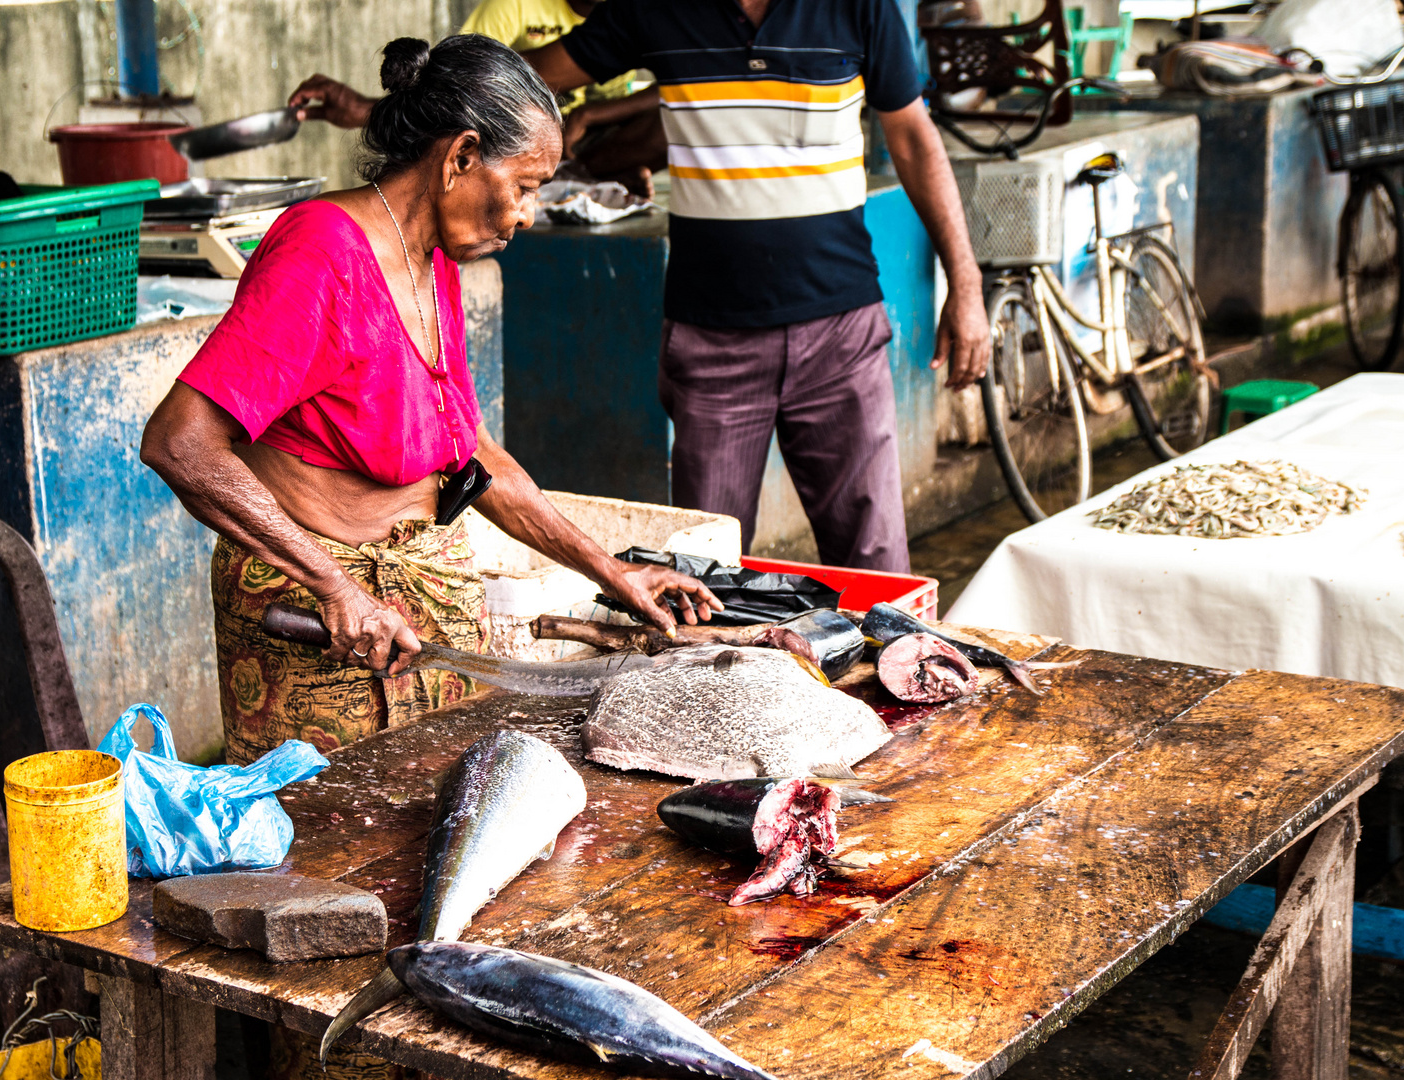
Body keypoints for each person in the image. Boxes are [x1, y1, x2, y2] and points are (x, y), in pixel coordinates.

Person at [141, 33, 718, 1079]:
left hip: (396, 608)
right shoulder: (321, 252)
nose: (528, 211)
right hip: (309, 616)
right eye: (523, 184)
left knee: (422, 864)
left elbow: (470, 455)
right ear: (460, 156)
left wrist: (614, 572)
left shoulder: (432, 262)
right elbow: (181, 442)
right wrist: (333, 585)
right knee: (322, 888)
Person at [523, 0, 993, 572]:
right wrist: (397, 105)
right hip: (712, 340)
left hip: (841, 335)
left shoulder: (862, 6)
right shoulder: (654, 9)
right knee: (706, 575)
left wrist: (965, 285)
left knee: (876, 569)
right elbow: (525, 72)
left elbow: (914, 137)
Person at [288, 0, 666, 193]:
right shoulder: (520, 9)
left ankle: (593, 176)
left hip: (588, 143)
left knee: (672, 122)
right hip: (520, 144)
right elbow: (465, 84)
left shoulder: (644, 13)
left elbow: (680, 87)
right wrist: (370, 110)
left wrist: (593, 115)